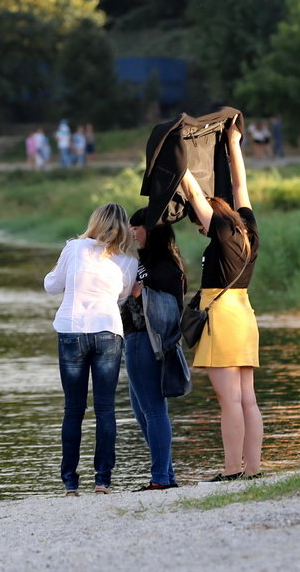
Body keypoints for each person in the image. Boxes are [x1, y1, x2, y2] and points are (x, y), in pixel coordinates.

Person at [179, 125, 263, 482]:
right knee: (247, 399)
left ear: (210, 220)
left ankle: (232, 469)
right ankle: (253, 469)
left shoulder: (221, 229)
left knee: (228, 399)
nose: (201, 230)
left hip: (223, 316)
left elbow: (196, 195)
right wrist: (233, 145)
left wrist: (177, 163)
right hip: (245, 314)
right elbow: (241, 185)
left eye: (200, 226)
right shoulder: (248, 227)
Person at [44, 203, 138, 495]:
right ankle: (102, 481)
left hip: (72, 330)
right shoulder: (128, 259)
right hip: (108, 331)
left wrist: (59, 271)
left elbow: (51, 286)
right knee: (105, 409)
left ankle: (70, 483)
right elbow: (122, 298)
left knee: (73, 410)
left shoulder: (73, 248)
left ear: (95, 221)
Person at [120, 207, 186, 491]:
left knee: (154, 411)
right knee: (142, 410)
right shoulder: (156, 261)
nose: (133, 232)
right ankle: (166, 473)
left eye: (137, 227)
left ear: (152, 229)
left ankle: (160, 478)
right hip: (140, 340)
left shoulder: (164, 265)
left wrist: (139, 292)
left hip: (145, 339)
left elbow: (169, 305)